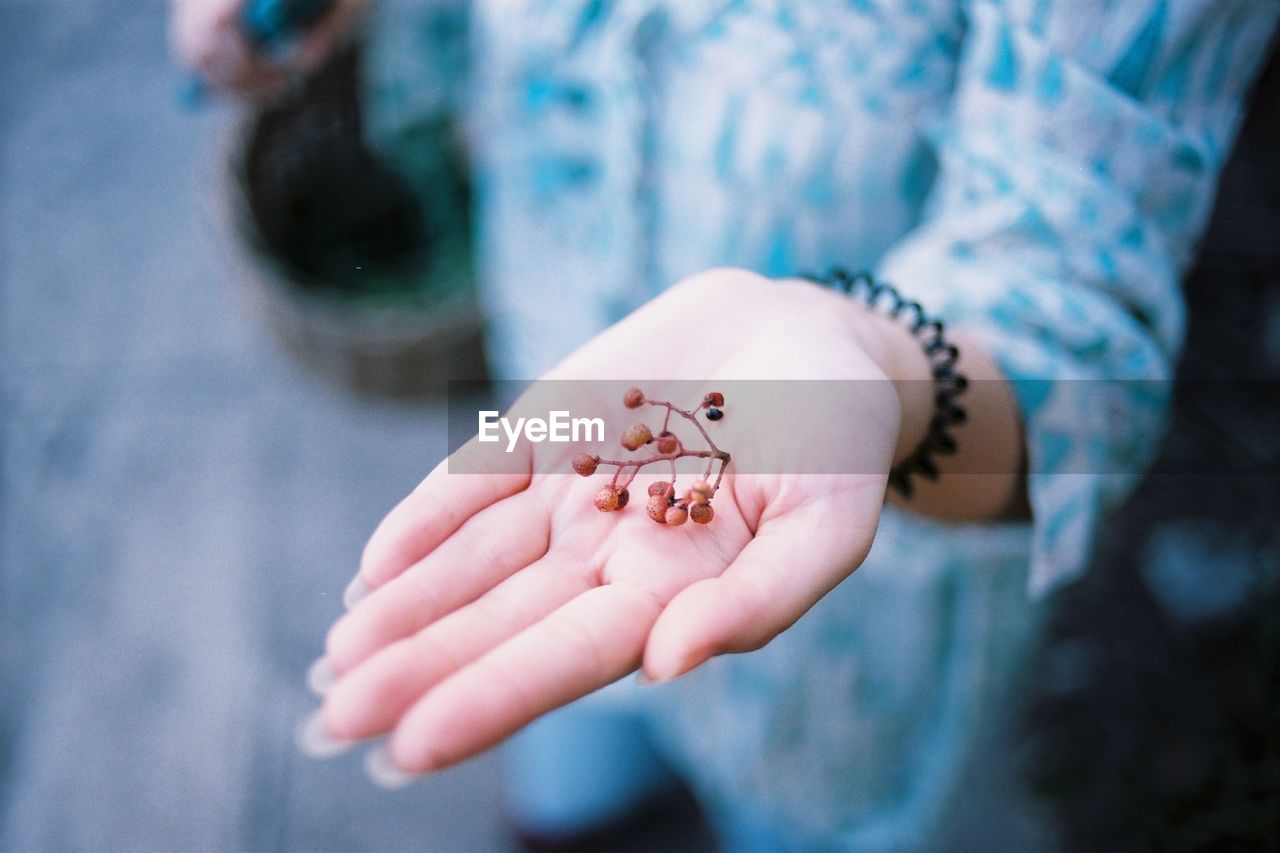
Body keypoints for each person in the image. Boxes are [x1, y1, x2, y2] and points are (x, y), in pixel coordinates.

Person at [173, 1, 1279, 847]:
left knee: (795, 817)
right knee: (563, 751)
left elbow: (1081, 329)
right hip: (552, 426)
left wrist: (870, 370)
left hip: (841, 601)